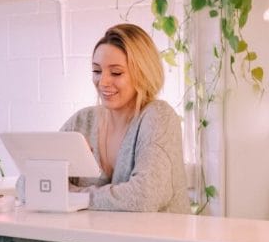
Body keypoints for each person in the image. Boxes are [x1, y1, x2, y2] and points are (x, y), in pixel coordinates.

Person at [61, 23, 189, 213]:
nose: (102, 82)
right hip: (97, 240)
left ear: (143, 73)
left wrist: (72, 196)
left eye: (116, 73)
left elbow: (144, 196)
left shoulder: (159, 117)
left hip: (153, 241)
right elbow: (27, 184)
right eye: (97, 71)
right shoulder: (82, 121)